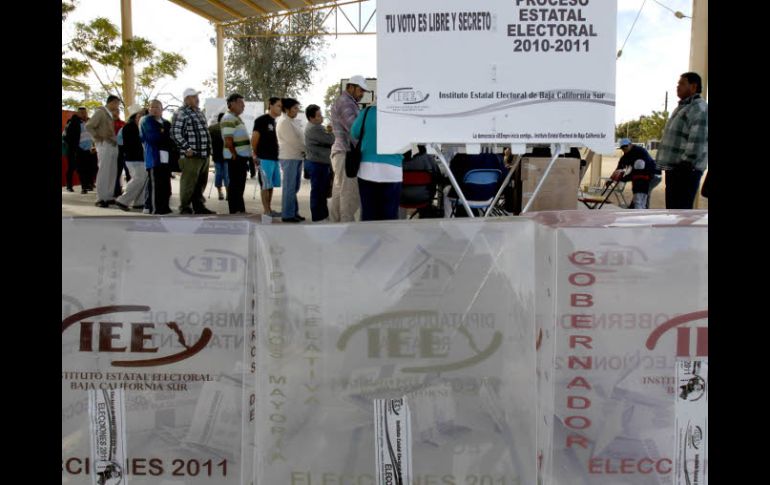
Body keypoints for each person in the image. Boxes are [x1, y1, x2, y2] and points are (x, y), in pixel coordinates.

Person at [656, 72, 708, 209]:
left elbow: (698, 140)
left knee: (680, 214)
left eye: (682, 83)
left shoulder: (699, 107)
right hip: (675, 169)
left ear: (693, 87)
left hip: (686, 171)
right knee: (673, 213)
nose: (677, 86)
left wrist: (685, 165)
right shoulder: (682, 107)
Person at [351, 105, 403, 221]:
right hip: (392, 168)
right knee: (390, 215)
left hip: (367, 168)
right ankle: (386, 238)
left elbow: (354, 133)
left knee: (369, 213)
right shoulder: (402, 112)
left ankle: (369, 238)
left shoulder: (367, 112)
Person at [329, 75, 368, 222]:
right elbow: (354, 129)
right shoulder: (346, 103)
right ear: (350, 87)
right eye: (360, 90)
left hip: (341, 152)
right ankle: (347, 227)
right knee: (348, 193)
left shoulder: (345, 101)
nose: (362, 94)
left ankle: (336, 225)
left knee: (339, 191)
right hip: (346, 152)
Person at [171, 88, 215, 214]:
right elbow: (175, 133)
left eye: (197, 96)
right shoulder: (181, 113)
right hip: (191, 155)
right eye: (194, 96)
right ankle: (185, 207)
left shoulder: (199, 112)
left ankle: (199, 205)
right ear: (187, 99)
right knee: (189, 182)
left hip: (203, 154)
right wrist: (187, 148)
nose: (197, 99)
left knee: (201, 182)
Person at [86, 94, 121, 207]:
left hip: (113, 144)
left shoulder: (110, 115)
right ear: (112, 102)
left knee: (112, 171)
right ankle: (100, 198)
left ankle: (109, 196)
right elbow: (89, 126)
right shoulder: (101, 112)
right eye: (117, 104)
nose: (117, 107)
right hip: (104, 143)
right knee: (104, 171)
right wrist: (97, 138)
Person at [140, 99, 173, 215]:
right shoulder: (146, 121)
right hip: (153, 158)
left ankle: (164, 206)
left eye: (157, 107)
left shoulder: (166, 123)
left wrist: (163, 134)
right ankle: (155, 208)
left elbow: (171, 139)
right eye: (152, 107)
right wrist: (164, 134)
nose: (154, 109)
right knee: (155, 185)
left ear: (161, 109)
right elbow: (152, 137)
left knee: (165, 185)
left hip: (166, 158)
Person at [221, 93, 251, 214]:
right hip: (236, 157)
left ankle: (240, 209)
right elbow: (228, 140)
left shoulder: (236, 117)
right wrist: (234, 155)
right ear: (231, 104)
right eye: (240, 103)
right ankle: (235, 210)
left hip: (240, 157)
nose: (243, 105)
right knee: (235, 185)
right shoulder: (228, 118)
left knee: (239, 185)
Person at [252, 97, 282, 217]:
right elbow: (254, 139)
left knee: (270, 185)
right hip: (264, 158)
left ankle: (269, 209)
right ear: (271, 105)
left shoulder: (276, 122)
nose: (280, 108)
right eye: (278, 106)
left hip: (274, 159)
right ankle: (266, 211)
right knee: (265, 185)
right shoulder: (261, 120)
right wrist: (255, 155)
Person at [276, 97, 306, 223]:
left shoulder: (291, 120)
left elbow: (300, 139)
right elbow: (294, 141)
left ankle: (293, 212)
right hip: (289, 157)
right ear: (287, 109)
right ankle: (287, 214)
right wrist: (306, 150)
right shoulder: (284, 122)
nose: (297, 110)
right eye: (295, 108)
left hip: (296, 156)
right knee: (289, 187)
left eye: (298, 108)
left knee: (294, 187)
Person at [303, 104, 335, 222]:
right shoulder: (314, 128)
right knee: (318, 192)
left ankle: (323, 215)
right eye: (319, 115)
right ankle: (318, 217)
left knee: (322, 191)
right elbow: (331, 140)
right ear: (311, 118)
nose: (321, 117)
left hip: (319, 163)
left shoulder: (316, 127)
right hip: (317, 164)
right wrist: (331, 131)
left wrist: (328, 131)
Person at [115, 105, 148, 211]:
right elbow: (131, 144)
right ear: (135, 116)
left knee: (142, 179)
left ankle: (139, 202)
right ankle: (123, 200)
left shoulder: (137, 127)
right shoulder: (129, 127)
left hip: (140, 158)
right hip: (133, 158)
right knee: (139, 179)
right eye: (140, 115)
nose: (142, 117)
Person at [613, 138, 658, 209]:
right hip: (643, 176)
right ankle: (637, 209)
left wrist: (624, 178)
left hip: (653, 175)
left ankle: (641, 212)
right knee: (641, 196)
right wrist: (612, 178)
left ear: (630, 145)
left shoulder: (639, 151)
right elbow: (619, 167)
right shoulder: (626, 155)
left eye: (626, 147)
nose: (624, 149)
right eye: (622, 148)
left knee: (641, 196)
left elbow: (638, 171)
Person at [64, 107, 96, 193]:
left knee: (90, 168)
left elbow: (93, 135)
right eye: (81, 112)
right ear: (77, 114)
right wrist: (75, 147)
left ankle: (87, 185)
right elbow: (67, 136)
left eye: (85, 112)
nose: (84, 114)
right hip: (76, 149)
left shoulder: (90, 122)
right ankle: (70, 185)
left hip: (89, 149)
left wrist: (94, 146)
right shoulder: (72, 122)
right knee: (73, 168)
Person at [209, 112, 228, 201]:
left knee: (219, 174)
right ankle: (227, 193)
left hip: (217, 154)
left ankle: (220, 193)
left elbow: (208, 141)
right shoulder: (229, 128)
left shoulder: (211, 128)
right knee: (226, 174)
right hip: (225, 155)